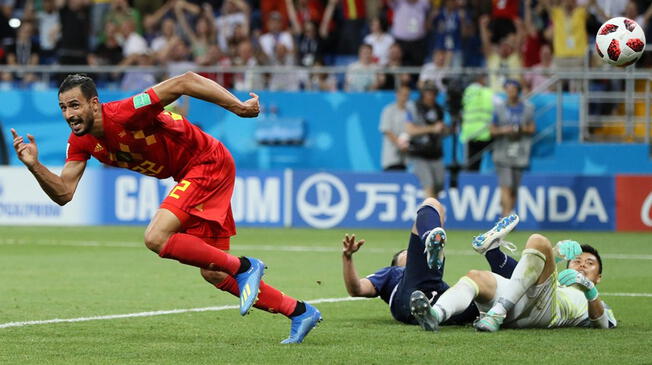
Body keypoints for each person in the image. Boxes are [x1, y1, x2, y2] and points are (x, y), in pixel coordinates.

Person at [10, 73, 321, 344]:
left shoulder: (127, 111)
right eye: (63, 107)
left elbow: (185, 81)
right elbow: (64, 192)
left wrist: (237, 107)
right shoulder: (81, 142)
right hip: (190, 174)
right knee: (214, 272)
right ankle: (300, 312)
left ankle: (245, 266)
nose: (69, 114)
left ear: (94, 104)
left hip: (206, 161)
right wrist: (35, 165)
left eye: (75, 105)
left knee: (156, 236)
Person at [409, 214, 617, 332]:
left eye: (589, 263)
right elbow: (534, 267)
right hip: (518, 302)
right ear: (566, 267)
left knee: (538, 240)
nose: (581, 265)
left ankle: (494, 260)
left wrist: (588, 288)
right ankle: (435, 314)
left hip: (547, 311)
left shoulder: (591, 300)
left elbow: (603, 324)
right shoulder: (558, 284)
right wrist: (555, 254)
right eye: (578, 261)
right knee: (476, 277)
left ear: (598, 277)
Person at [341, 198, 520, 329]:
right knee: (433, 204)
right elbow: (356, 289)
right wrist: (347, 258)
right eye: (407, 253)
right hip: (411, 297)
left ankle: (493, 252)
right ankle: (429, 239)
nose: (410, 253)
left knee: (505, 293)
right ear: (397, 265)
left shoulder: (441, 285)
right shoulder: (391, 275)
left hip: (442, 308)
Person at [491, 80, 535, 217]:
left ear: (518, 90)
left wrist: (520, 129)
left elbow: (532, 128)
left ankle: (508, 214)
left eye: (513, 89)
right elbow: (492, 129)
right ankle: (506, 218)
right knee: (506, 185)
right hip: (502, 151)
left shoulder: (528, 108)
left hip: (520, 152)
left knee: (514, 188)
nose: (511, 92)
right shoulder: (499, 108)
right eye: (508, 89)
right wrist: (504, 130)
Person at [406, 81, 447, 198]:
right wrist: (431, 128)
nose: (431, 96)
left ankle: (433, 212)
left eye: (433, 93)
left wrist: (445, 129)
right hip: (419, 152)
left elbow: (441, 131)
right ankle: (429, 215)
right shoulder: (414, 106)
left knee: (439, 185)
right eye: (428, 92)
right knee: (428, 184)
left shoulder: (439, 109)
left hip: (436, 153)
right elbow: (410, 130)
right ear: (423, 93)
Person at [459, 72, 494, 171]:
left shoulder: (466, 92)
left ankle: (471, 182)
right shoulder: (488, 92)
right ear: (480, 79)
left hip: (470, 133)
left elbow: (460, 110)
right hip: (486, 132)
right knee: (497, 162)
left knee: (472, 166)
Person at [379, 84, 413, 171]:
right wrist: (400, 143)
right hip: (391, 156)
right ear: (397, 94)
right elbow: (387, 130)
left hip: (405, 157)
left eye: (407, 95)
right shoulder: (389, 110)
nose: (405, 98)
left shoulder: (410, 112)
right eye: (403, 94)